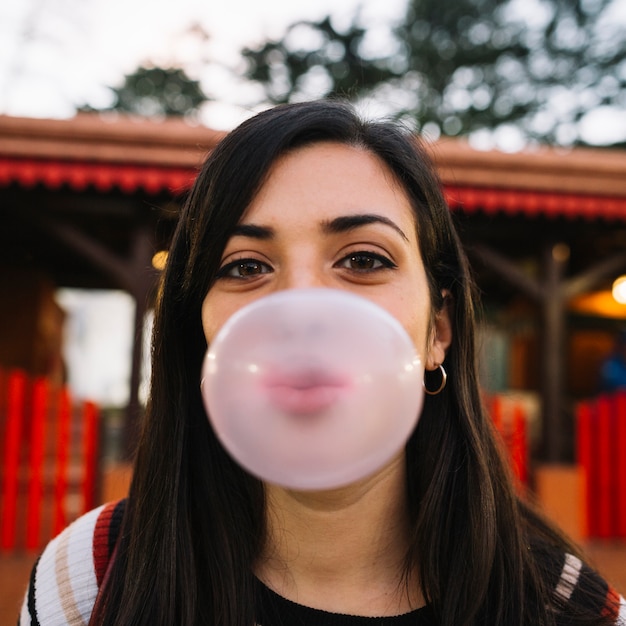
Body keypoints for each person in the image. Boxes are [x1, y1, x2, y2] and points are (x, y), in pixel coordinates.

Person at [20, 100, 625, 625]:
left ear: (437, 330)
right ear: (198, 334)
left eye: (363, 259)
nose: (300, 310)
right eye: (245, 266)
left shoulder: (565, 608)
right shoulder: (90, 579)